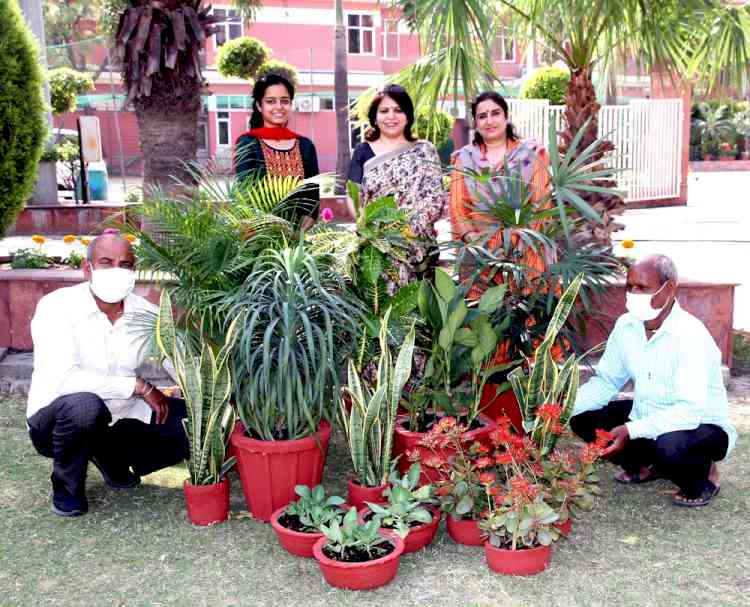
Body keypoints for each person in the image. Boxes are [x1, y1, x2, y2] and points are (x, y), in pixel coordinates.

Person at [26, 232, 189, 517]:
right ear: (87, 268)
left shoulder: (146, 313)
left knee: (192, 426)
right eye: (106, 262)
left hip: (121, 417)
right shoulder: (57, 307)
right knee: (85, 406)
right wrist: (138, 386)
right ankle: (67, 488)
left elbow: (176, 358)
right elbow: (65, 380)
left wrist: (204, 392)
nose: (117, 270)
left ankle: (110, 457)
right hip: (57, 421)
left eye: (125, 265)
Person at [570, 254, 736, 507]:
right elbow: (606, 381)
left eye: (642, 287)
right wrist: (560, 410)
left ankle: (705, 476)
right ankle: (646, 467)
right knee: (583, 419)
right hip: (649, 414)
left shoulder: (690, 335)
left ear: (669, 288)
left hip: (701, 425)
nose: (634, 294)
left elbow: (689, 411)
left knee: (670, 445)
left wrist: (629, 430)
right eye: (630, 287)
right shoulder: (627, 326)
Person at [450, 91, 551, 299]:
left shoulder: (531, 154)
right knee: (482, 321)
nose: (489, 120)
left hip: (526, 250)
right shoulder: (465, 159)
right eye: (482, 116)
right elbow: (457, 208)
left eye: (495, 113)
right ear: (476, 123)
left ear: (506, 116)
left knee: (525, 320)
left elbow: (541, 205)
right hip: (479, 254)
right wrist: (478, 243)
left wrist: (515, 242)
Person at [347, 84, 445, 288]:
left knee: (418, 309)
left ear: (408, 116)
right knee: (378, 306)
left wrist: (405, 232)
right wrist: (370, 230)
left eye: (398, 110)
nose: (391, 116)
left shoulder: (425, 150)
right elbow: (352, 195)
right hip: (376, 248)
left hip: (419, 246)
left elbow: (435, 198)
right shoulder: (362, 151)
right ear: (374, 117)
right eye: (384, 111)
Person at [235, 74, 320, 230]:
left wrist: (298, 235)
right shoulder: (247, 143)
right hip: (259, 233)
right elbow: (246, 194)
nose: (279, 107)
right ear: (259, 106)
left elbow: (313, 198)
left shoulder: (305, 146)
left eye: (285, 101)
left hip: (298, 239)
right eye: (271, 101)